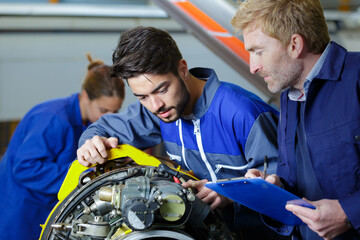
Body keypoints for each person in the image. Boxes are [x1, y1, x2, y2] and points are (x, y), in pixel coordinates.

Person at [76, 26, 279, 238]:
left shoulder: (242, 112)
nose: (155, 105)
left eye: (161, 89)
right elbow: (102, 128)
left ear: (183, 69)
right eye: (142, 97)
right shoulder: (160, 112)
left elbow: (285, 185)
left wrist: (230, 193)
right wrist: (90, 143)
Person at [231, 0, 360, 239]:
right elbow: (299, 179)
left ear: (295, 45)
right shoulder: (289, 97)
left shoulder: (357, 77)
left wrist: (348, 213)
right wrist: (274, 187)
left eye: (258, 52)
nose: (253, 67)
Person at [0, 54, 125, 240]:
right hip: (22, 214)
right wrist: (81, 175)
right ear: (85, 97)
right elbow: (25, 167)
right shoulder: (54, 119)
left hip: (45, 211)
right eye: (104, 111)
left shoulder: (87, 125)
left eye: (115, 112)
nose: (107, 118)